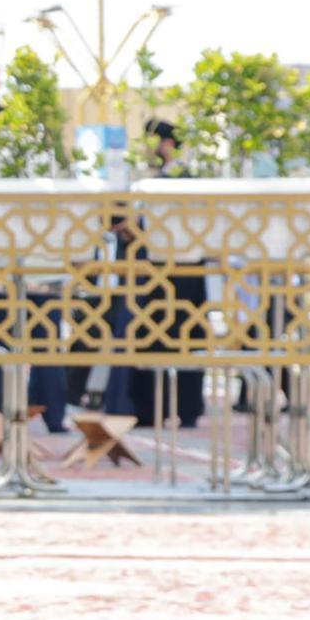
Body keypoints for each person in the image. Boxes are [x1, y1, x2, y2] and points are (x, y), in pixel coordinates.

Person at [105, 119, 207, 432]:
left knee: (183, 336)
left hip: (182, 272)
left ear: (167, 144)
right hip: (154, 272)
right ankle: (150, 408)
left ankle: (184, 407)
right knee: (152, 338)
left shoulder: (182, 179)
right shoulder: (148, 181)